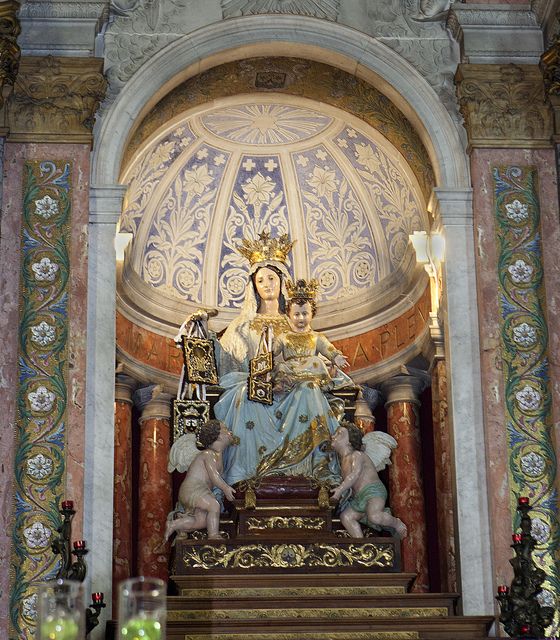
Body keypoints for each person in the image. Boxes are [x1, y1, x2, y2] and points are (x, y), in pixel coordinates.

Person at [260, 278, 352, 481]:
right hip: (290, 376)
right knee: (286, 370)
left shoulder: (316, 337)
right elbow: (270, 353)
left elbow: (328, 349)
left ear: (312, 314)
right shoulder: (284, 337)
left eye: (305, 313)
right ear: (288, 315)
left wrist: (336, 357)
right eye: (296, 314)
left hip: (311, 375)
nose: (301, 318)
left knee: (314, 370)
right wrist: (266, 341)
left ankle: (317, 457)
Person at [330, 421, 407, 538]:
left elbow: (354, 475)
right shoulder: (342, 461)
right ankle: (360, 543)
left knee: (374, 516)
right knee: (346, 517)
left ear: (350, 441)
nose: (333, 436)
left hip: (373, 492)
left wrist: (339, 490)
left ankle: (396, 523)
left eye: (339, 433)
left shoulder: (357, 455)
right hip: (358, 497)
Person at [165, 419, 235, 540]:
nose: (230, 432)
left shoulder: (217, 456)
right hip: (193, 489)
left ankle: (176, 524)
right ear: (218, 436)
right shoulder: (208, 454)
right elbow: (214, 476)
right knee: (214, 506)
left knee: (202, 521)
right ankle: (213, 536)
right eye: (226, 429)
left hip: (201, 491)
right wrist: (226, 488)